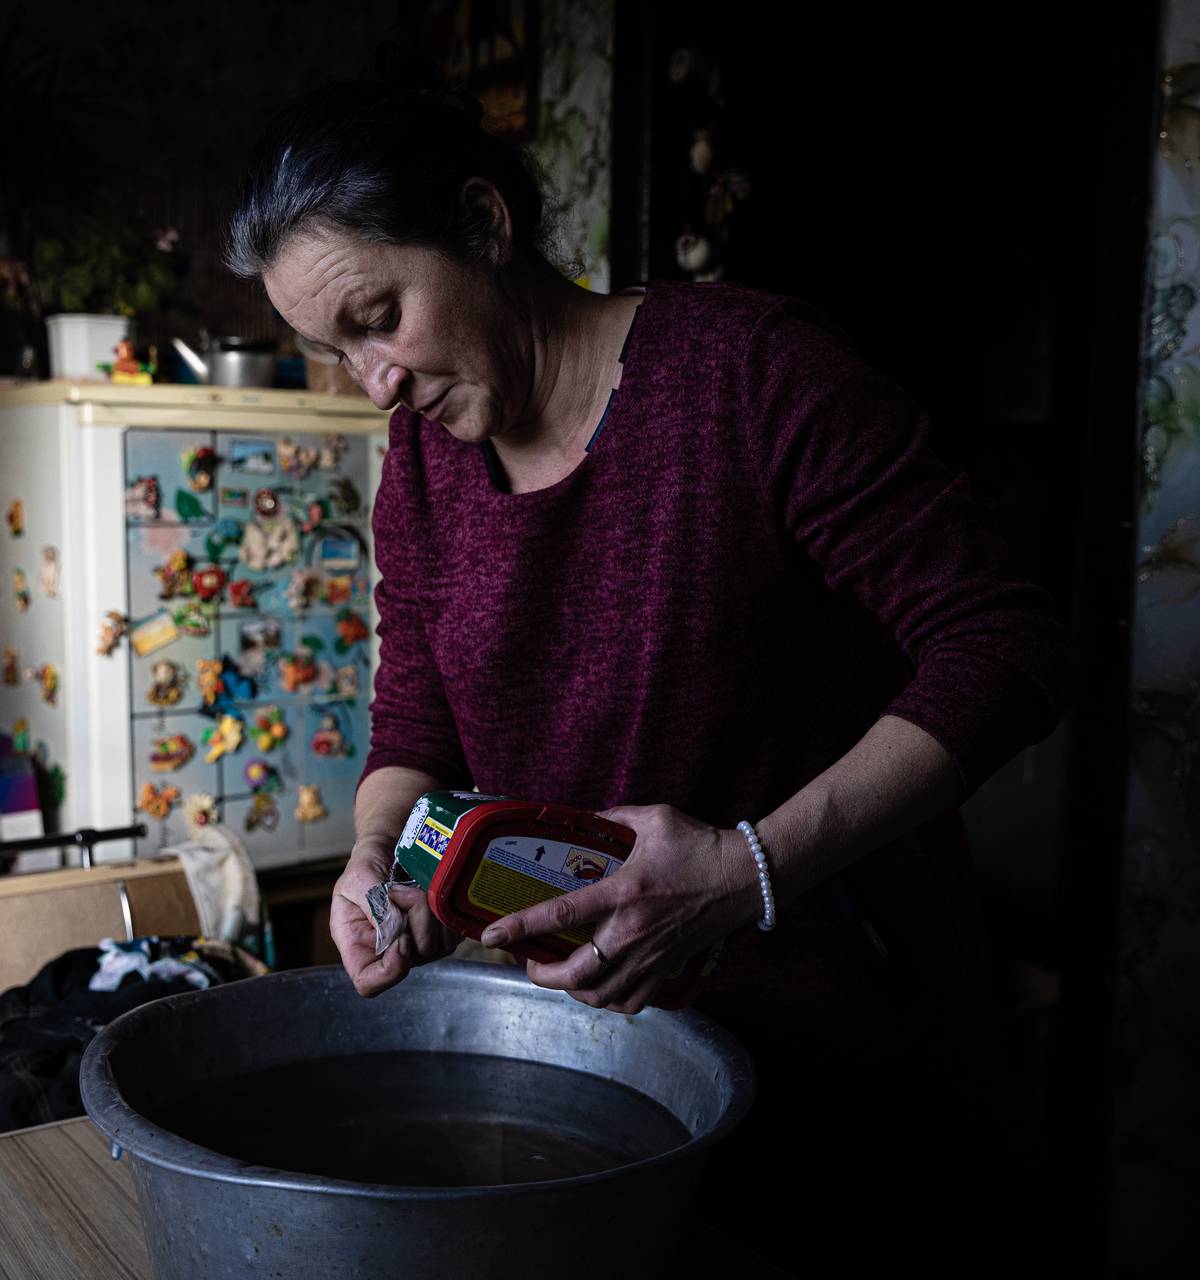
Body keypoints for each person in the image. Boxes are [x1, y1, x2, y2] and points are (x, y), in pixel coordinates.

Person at [227, 76, 1071, 1269]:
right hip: (597, 1060)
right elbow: (416, 712)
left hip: (846, 1066)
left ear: (482, 222)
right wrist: (382, 853)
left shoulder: (748, 373)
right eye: (333, 349)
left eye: (379, 316)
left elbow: (1007, 640)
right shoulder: (420, 466)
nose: (376, 381)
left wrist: (745, 870)